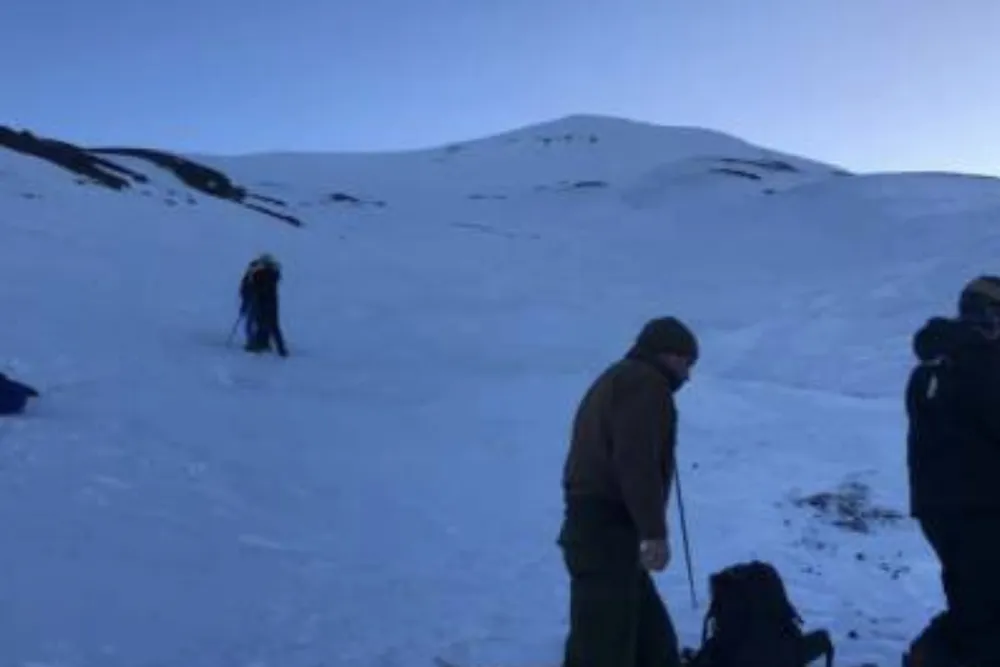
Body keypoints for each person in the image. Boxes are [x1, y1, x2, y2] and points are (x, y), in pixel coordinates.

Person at [557, 315, 699, 667]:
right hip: (606, 532)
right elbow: (635, 461)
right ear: (670, 355)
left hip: (602, 534)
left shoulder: (619, 379)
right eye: (687, 363)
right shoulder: (644, 384)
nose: (687, 376)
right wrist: (654, 533)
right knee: (603, 650)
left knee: (654, 645)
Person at [904, 275, 1000, 667]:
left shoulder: (931, 367)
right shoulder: (983, 365)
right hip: (984, 508)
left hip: (938, 509)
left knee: (970, 601)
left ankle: (928, 658)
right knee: (987, 614)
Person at [239, 253, 288, 357]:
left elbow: (251, 287)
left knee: (265, 323)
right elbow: (248, 287)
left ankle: (261, 343)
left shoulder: (261, 272)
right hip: (261, 301)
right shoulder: (258, 272)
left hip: (263, 301)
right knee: (264, 323)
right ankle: (260, 343)